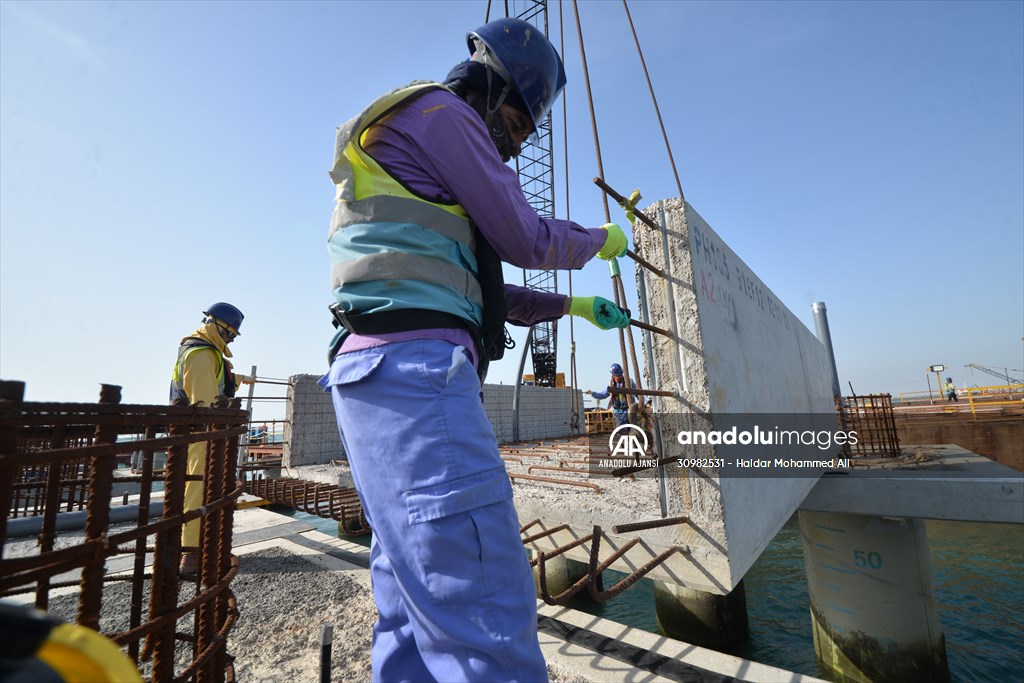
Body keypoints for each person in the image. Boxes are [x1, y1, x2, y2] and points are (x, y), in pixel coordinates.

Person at [319, 17, 630, 682]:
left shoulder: (421, 151)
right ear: (491, 87)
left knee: (410, 605)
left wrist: (573, 307)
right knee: (485, 614)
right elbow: (525, 237)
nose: (514, 149)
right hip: (417, 381)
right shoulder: (445, 114)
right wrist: (599, 239)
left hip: (374, 379)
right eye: (515, 125)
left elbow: (480, 291)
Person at [169, 302, 251, 575]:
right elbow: (205, 400)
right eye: (230, 334)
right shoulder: (201, 354)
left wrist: (239, 379)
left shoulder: (206, 352)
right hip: (202, 432)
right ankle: (192, 554)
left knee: (208, 487)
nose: (231, 340)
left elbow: (216, 380)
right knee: (199, 487)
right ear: (216, 325)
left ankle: (206, 546)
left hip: (201, 432)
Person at [586, 363, 634, 427]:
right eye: (617, 376)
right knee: (622, 429)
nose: (619, 377)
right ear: (613, 375)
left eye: (620, 375)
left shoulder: (629, 382)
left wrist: (646, 402)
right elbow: (602, 395)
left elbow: (638, 394)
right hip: (618, 412)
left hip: (629, 410)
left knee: (633, 428)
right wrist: (592, 393)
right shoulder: (611, 384)